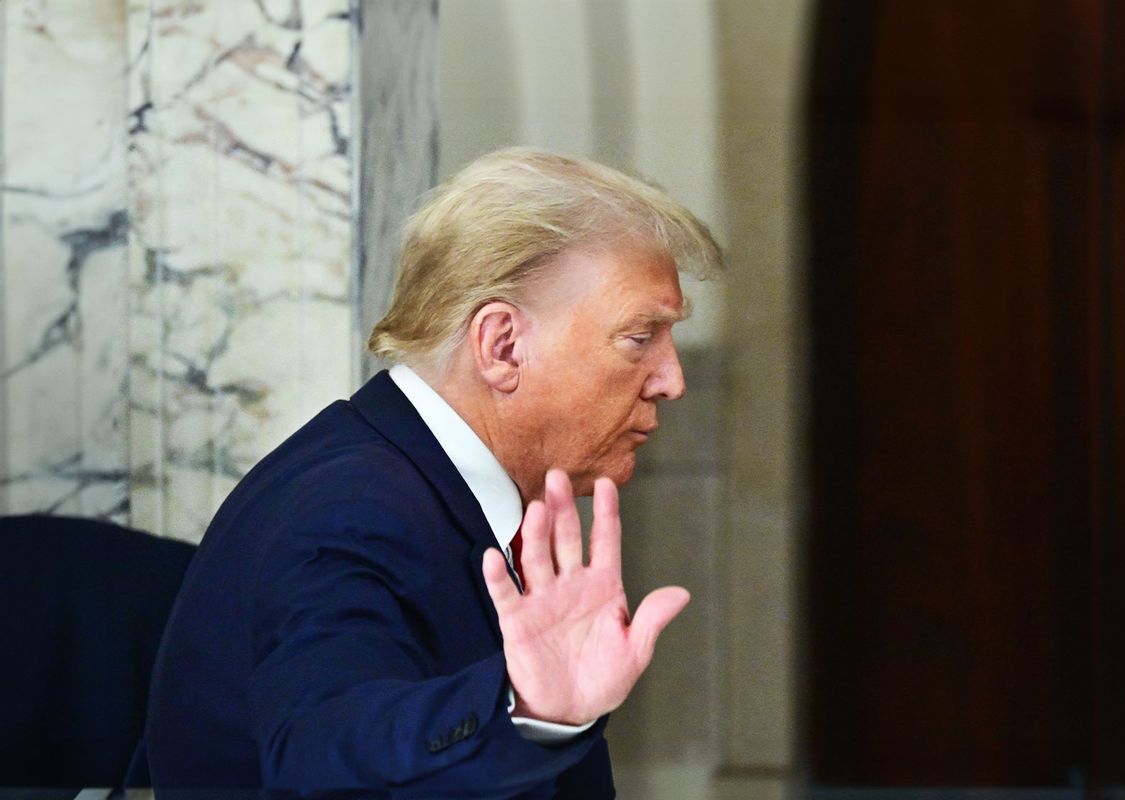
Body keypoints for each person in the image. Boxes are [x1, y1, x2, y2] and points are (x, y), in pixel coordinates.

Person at [143, 148, 723, 798]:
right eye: (640, 337)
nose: (672, 380)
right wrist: (524, 708)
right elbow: (323, 747)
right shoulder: (351, 508)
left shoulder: (417, 481)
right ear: (502, 347)